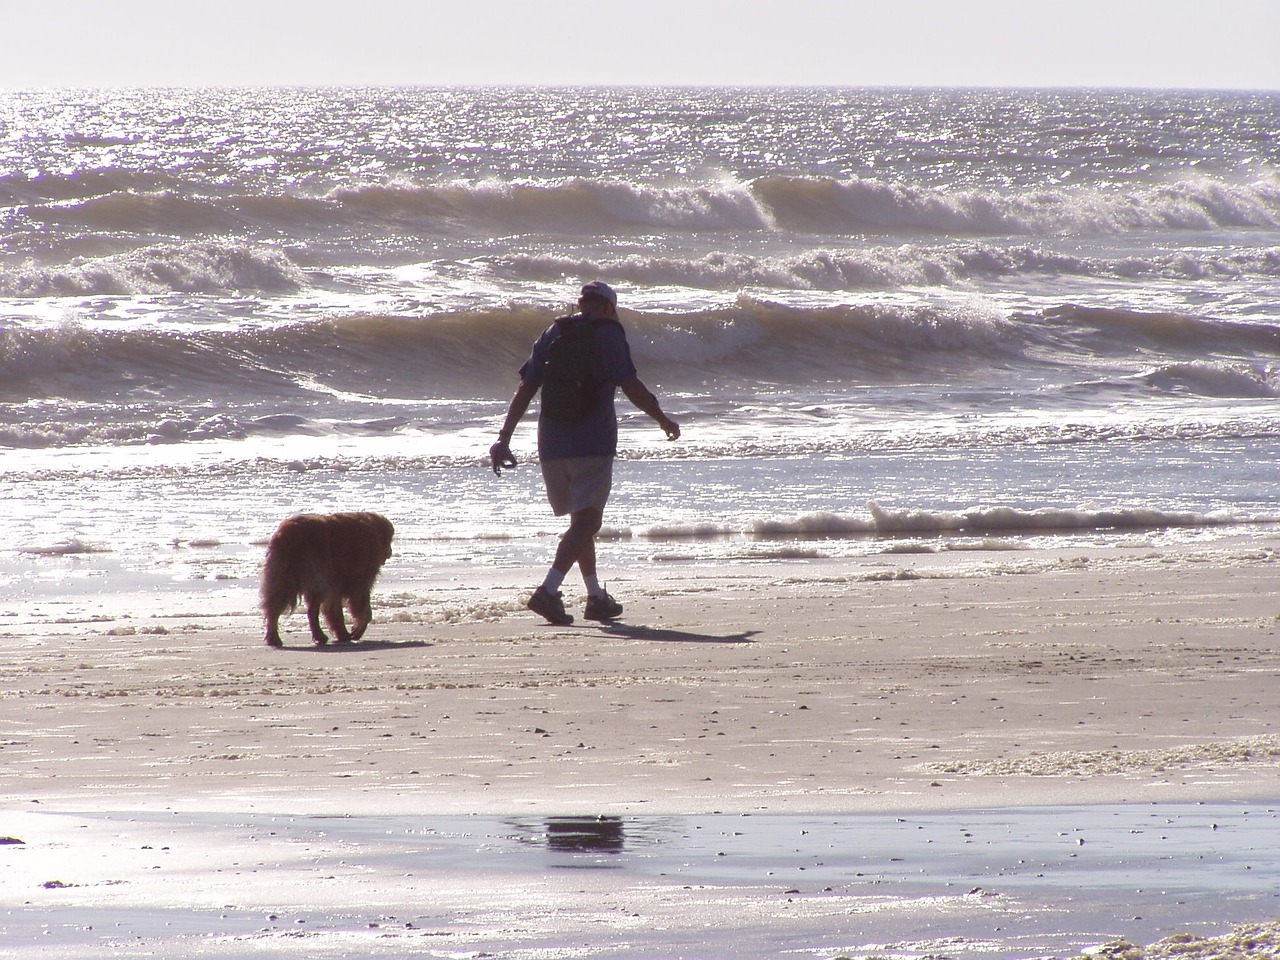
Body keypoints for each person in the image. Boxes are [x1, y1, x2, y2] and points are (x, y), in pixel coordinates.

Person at [490, 281, 680, 625]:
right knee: (589, 521)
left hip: (550, 444)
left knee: (581, 521)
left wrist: (503, 438)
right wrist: (662, 419)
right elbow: (631, 384)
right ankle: (548, 592)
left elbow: (526, 388)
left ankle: (595, 598)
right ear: (608, 307)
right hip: (592, 442)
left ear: (581, 304)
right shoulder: (609, 333)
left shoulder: (554, 331)